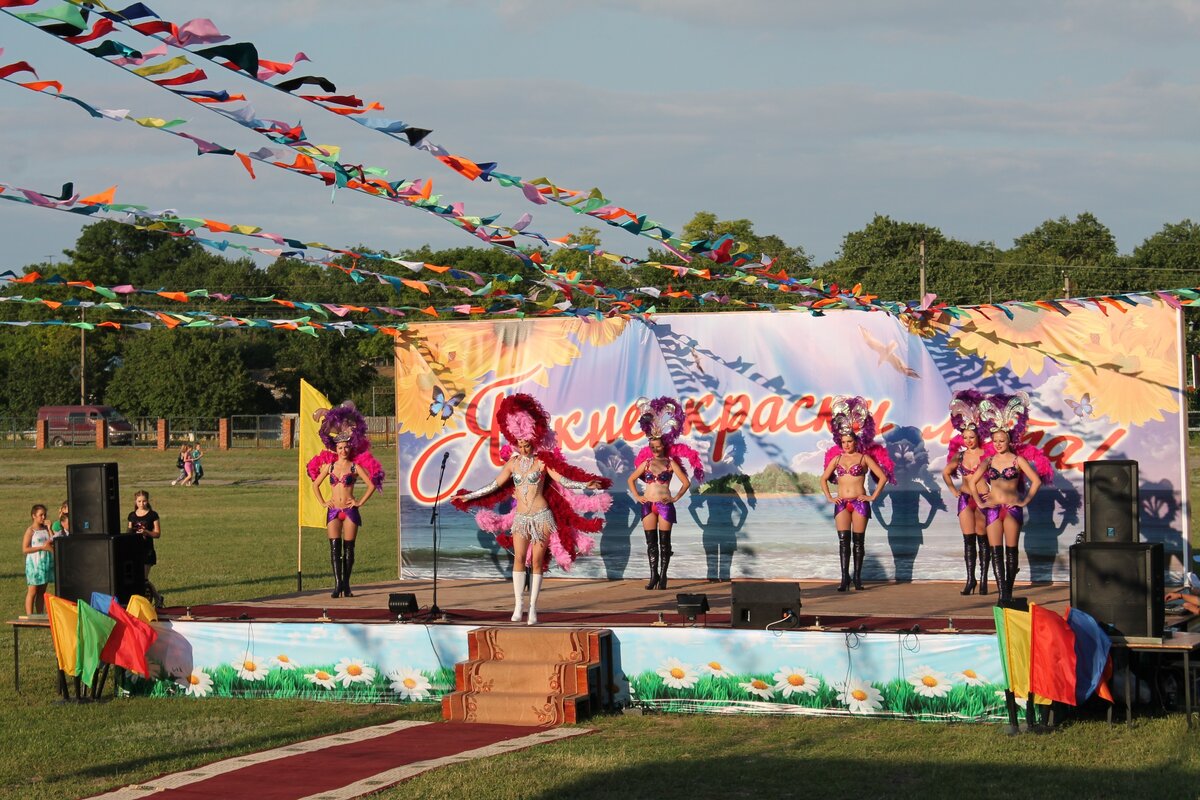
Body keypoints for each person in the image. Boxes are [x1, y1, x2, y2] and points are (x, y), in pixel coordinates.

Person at [452, 393, 611, 624]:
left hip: (542, 517)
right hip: (521, 518)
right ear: (516, 444)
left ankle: (533, 608)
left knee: (537, 562)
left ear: (533, 442)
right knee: (519, 559)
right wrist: (468, 497)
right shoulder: (513, 464)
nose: (524, 448)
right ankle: (518, 606)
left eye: (527, 445)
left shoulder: (542, 462)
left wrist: (585, 484)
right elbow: (494, 486)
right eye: (520, 445)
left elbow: (563, 480)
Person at [969, 392, 1053, 602]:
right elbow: (972, 482)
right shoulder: (988, 461)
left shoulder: (1017, 460)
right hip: (992, 509)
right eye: (995, 441)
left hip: (1012, 509)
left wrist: (1024, 501)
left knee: (1011, 552)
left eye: (1002, 440)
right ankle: (1002, 595)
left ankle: (1008, 591)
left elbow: (1036, 481)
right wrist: (979, 502)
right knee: (996, 552)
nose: (998, 444)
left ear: (1009, 440)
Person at [306, 402, 384, 598]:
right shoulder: (330, 467)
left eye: (346, 447)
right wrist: (323, 502)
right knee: (334, 548)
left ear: (350, 448)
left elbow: (371, 485)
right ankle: (337, 585)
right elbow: (315, 485)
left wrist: (359, 502)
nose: (343, 450)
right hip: (333, 510)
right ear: (336, 448)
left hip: (349, 511)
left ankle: (347, 585)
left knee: (349, 549)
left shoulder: (355, 467)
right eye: (340, 448)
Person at [626, 396, 704, 590]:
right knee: (650, 543)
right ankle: (654, 576)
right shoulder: (646, 464)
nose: (655, 449)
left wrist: (675, 497)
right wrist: (637, 496)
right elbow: (631, 479)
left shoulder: (670, 463)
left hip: (664, 505)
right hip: (647, 505)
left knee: (664, 543)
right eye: (652, 447)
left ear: (664, 446)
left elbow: (686, 482)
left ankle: (664, 577)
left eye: (658, 446)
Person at [820, 396, 894, 591]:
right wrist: (829, 497)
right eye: (843, 441)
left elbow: (883, 477)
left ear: (855, 442)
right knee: (843, 542)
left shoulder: (864, 458)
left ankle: (858, 579)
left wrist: (873, 497)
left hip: (860, 503)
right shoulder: (836, 460)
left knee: (858, 542)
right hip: (842, 503)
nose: (846, 445)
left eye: (849, 441)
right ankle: (844, 578)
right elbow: (823, 479)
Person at [941, 390, 992, 595]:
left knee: (983, 539)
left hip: (982, 499)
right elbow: (946, 473)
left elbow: (998, 475)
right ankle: (971, 580)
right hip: (965, 498)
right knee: (968, 541)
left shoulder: (987, 454)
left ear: (978, 437)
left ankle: (984, 579)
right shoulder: (960, 456)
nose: (968, 440)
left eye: (971, 437)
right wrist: (953, 490)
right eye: (965, 437)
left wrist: (995, 493)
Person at [127, 490, 163, 607]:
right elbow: (128, 531)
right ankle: (157, 597)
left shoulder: (153, 515)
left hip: (147, 550)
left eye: (144, 501)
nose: (141, 504)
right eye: (139, 501)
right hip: (135, 550)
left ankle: (155, 598)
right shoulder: (132, 516)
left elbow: (157, 534)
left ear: (147, 501)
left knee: (143, 578)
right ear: (135, 501)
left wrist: (147, 532)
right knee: (138, 578)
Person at [22, 504, 54, 615]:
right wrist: (41, 548)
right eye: (41, 515)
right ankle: (30, 616)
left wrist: (50, 529)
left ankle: (39, 614)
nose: (43, 517)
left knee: (42, 591)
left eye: (44, 515)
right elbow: (25, 549)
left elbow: (53, 540)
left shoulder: (45, 529)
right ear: (34, 516)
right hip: (34, 564)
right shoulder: (30, 531)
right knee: (33, 591)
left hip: (45, 563)